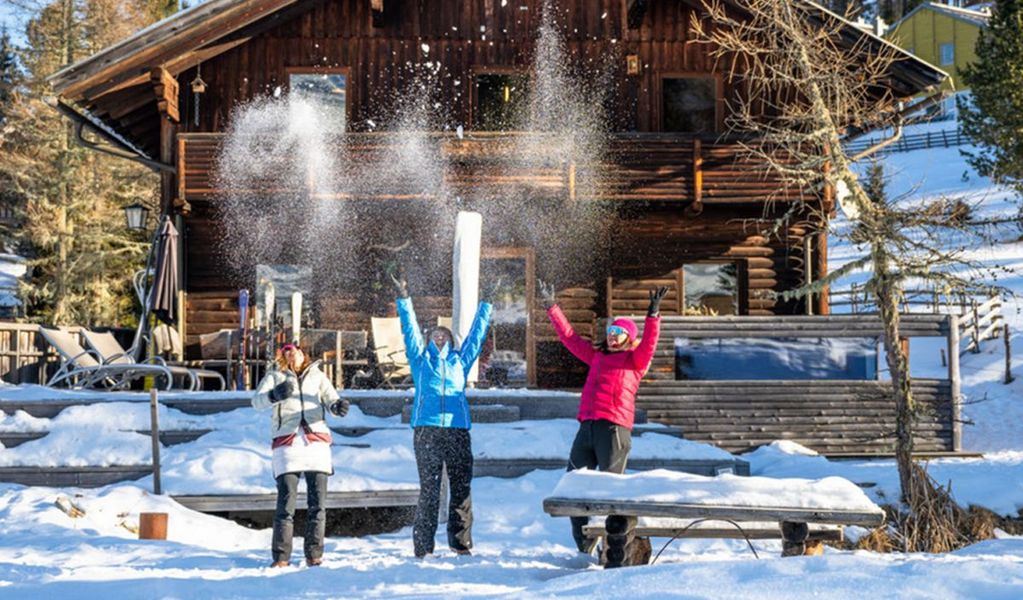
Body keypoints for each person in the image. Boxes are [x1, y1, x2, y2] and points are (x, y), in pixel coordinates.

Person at [541, 281, 667, 554]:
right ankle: (585, 544)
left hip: (613, 429)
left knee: (611, 490)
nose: (612, 336)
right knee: (573, 484)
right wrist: (552, 308)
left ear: (628, 338)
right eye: (611, 331)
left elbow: (649, 343)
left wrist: (653, 315)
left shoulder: (635, 360)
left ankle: (615, 547)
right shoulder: (597, 356)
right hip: (587, 426)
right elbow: (570, 338)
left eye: (619, 332)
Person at [390, 273, 493, 558]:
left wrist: (487, 303)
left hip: (457, 430)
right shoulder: (420, 360)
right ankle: (423, 547)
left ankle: (461, 544)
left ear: (450, 339)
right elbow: (409, 330)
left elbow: (477, 336)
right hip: (427, 430)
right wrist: (404, 299)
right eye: (435, 334)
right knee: (430, 490)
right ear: (428, 340)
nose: (439, 336)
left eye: (444, 334)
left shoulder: (460, 360)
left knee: (461, 487)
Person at [252, 343, 350, 568]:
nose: (291, 352)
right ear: (282, 356)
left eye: (294, 349)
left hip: (316, 442)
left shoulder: (318, 376)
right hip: (287, 442)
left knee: (318, 503)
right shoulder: (275, 376)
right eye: (286, 350)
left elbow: (331, 399)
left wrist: (338, 407)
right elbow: (256, 402)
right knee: (286, 502)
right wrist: (274, 395)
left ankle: (314, 554)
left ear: (303, 354)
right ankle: (281, 557)